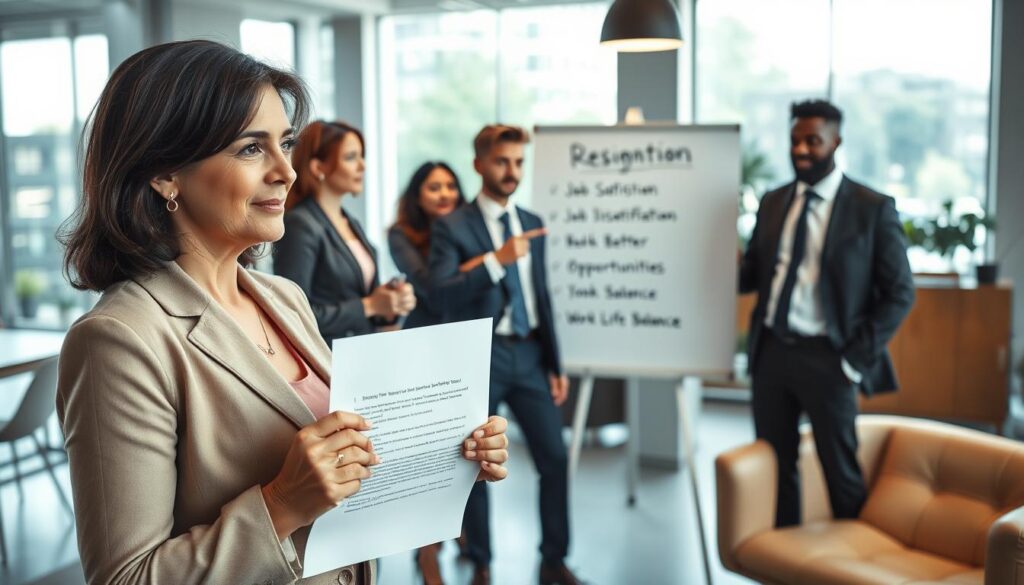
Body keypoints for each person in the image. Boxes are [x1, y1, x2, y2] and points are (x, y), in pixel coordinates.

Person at [56, 40, 510, 585]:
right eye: (251, 149)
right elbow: (125, 578)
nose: (287, 172)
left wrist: (443, 455)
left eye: (286, 144)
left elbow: (342, 473)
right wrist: (280, 503)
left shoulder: (284, 299)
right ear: (165, 173)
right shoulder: (119, 339)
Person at [739, 99, 915, 528]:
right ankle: (784, 562)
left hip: (831, 359)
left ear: (836, 141)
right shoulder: (775, 201)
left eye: (812, 141)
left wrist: (853, 360)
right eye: (795, 140)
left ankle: (852, 563)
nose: (801, 149)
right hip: (773, 355)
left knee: (841, 473)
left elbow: (900, 292)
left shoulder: (872, 208)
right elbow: (753, 276)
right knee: (776, 469)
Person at [430, 125, 582, 585]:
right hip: (483, 356)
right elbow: (441, 295)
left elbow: (543, 297)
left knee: (555, 457)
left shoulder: (533, 221)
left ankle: (554, 558)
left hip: (532, 354)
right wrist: (498, 259)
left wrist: (556, 364)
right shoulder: (452, 226)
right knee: (476, 462)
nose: (511, 171)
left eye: (518, 162)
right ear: (479, 164)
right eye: (502, 161)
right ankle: (480, 559)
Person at [274, 120, 416, 344]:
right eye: (351, 157)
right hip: (328, 361)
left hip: (362, 351)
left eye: (362, 156)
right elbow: (295, 313)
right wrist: (369, 306)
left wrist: (388, 303)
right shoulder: (300, 224)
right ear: (318, 167)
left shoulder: (350, 222)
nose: (363, 166)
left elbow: (361, 300)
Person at [388, 161, 468, 330]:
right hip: (427, 329)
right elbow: (429, 286)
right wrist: (476, 265)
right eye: (434, 188)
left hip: (468, 323)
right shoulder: (400, 234)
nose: (445, 194)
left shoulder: (470, 229)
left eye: (451, 187)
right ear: (417, 197)